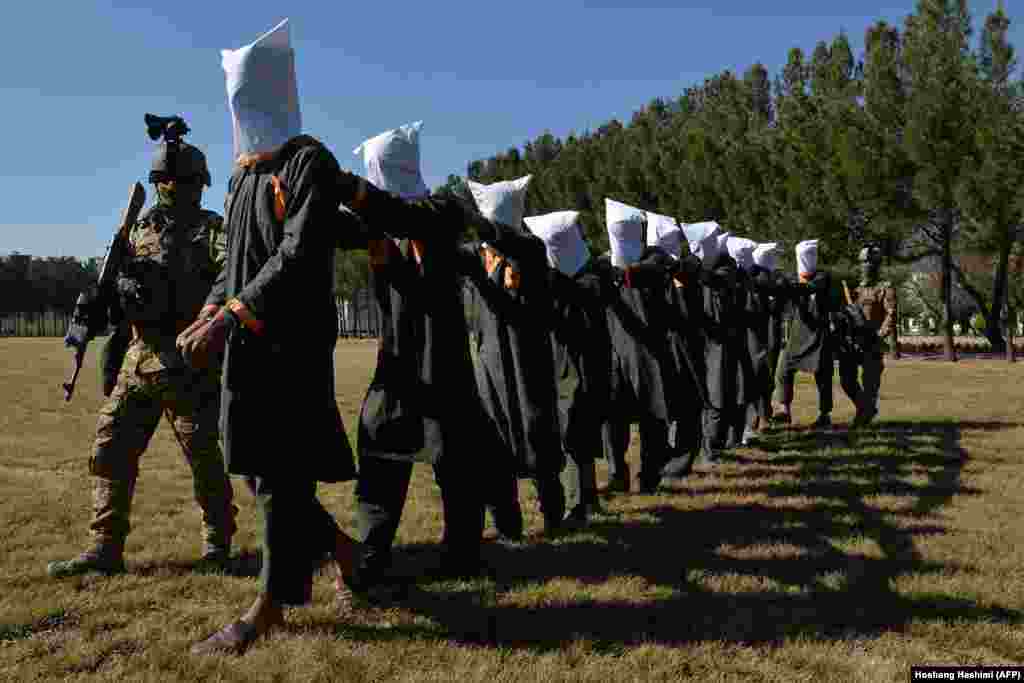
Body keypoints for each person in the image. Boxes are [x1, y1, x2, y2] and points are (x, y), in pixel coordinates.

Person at [184, 19, 365, 654]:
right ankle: (345, 551)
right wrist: (210, 310)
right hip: (246, 342)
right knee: (263, 474)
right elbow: (233, 258)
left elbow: (295, 255)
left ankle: (268, 608)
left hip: (291, 346)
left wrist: (231, 314)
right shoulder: (240, 177)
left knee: (283, 477)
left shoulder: (308, 161)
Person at [46, 121, 239, 579]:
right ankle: (103, 547)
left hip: (190, 364)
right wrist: (99, 303)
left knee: (205, 460)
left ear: (198, 184)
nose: (174, 187)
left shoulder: (214, 231)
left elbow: (231, 271)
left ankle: (218, 545)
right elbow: (113, 295)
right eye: (167, 180)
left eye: (183, 181)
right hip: (139, 361)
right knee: (109, 451)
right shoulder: (139, 231)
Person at [341, 122, 513, 603]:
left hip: (444, 363)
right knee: (380, 455)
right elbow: (354, 229)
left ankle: (463, 552)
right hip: (397, 367)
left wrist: (356, 198)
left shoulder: (443, 211)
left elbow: (406, 220)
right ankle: (370, 557)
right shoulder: (377, 224)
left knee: (457, 467)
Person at [463, 179, 566, 538]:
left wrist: (486, 231)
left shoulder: (530, 250)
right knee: (493, 450)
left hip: (528, 365)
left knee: (538, 442)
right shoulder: (476, 257)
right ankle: (508, 527)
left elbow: (514, 244)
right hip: (490, 369)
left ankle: (553, 515)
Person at [525, 211, 611, 525]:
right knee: (579, 439)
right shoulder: (587, 278)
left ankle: (579, 504)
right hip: (573, 367)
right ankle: (587, 499)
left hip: (578, 370)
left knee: (575, 436)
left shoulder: (589, 280)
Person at [774, 239, 837, 428]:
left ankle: (824, 414)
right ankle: (784, 408)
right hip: (797, 334)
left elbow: (810, 288)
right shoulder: (793, 279)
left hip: (819, 335)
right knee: (783, 370)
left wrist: (789, 286)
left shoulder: (822, 277)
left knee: (823, 376)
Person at [839, 245, 896, 427]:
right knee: (847, 380)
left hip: (873, 343)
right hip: (853, 343)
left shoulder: (884, 288)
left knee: (870, 383)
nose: (866, 265)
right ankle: (865, 408)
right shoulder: (853, 288)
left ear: (877, 265)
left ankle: (864, 415)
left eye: (870, 262)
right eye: (863, 262)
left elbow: (891, 314)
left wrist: (880, 335)